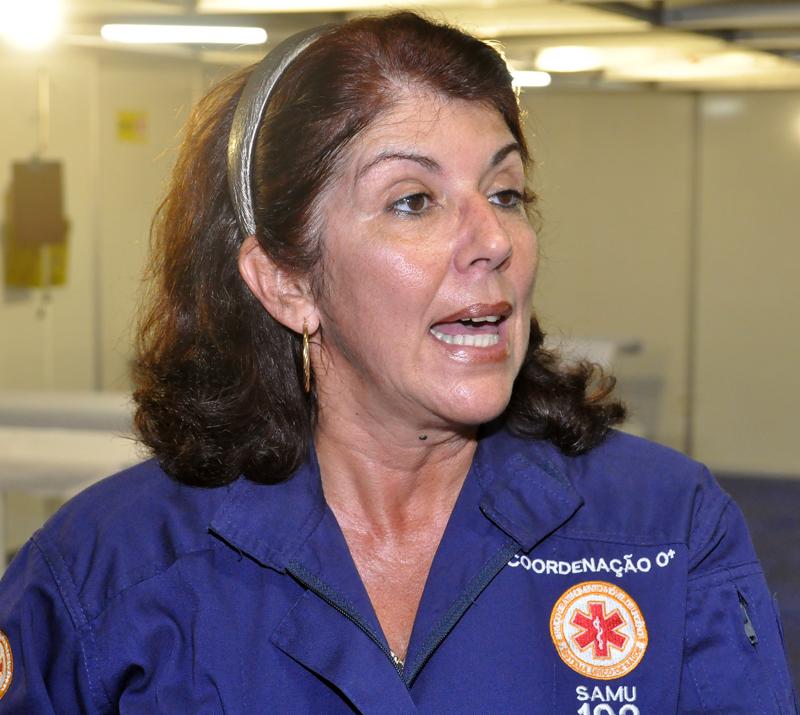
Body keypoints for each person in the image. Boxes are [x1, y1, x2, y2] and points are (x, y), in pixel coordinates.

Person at [0, 11, 796, 714]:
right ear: (286, 282)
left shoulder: (666, 526)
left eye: (506, 192)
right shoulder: (106, 572)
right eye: (413, 200)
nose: (494, 240)